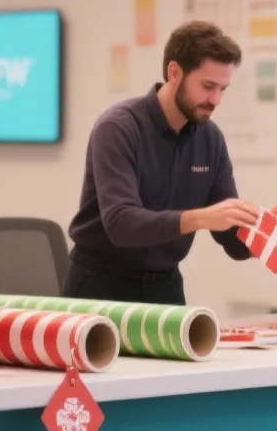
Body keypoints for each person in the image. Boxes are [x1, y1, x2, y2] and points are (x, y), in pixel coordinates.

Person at [65, 21, 258, 305]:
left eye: (223, 89)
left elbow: (232, 240)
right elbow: (121, 223)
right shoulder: (118, 127)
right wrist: (201, 218)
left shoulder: (210, 138)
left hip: (165, 287)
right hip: (101, 285)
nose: (215, 100)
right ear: (175, 72)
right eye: (207, 86)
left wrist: (262, 235)